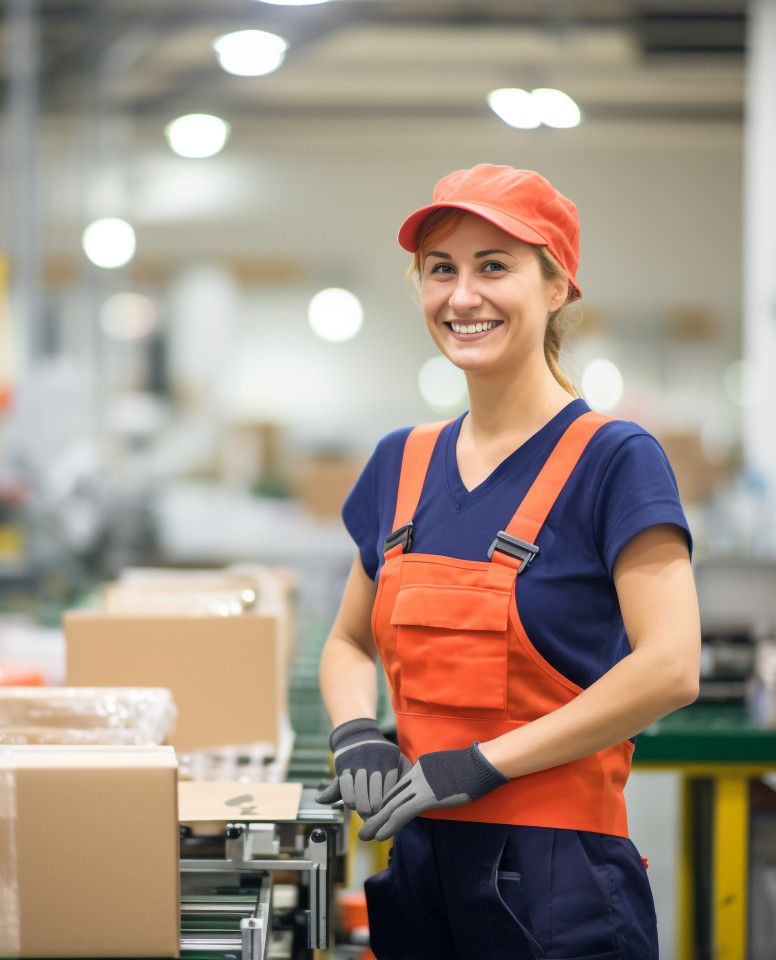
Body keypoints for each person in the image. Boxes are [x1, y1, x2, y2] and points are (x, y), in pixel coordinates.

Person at [315, 163, 701, 959]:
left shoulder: (614, 458)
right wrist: (356, 731)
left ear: (557, 286)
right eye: (440, 270)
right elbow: (349, 640)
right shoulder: (402, 462)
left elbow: (670, 667)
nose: (463, 297)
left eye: (495, 266)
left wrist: (484, 764)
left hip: (560, 880)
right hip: (420, 864)